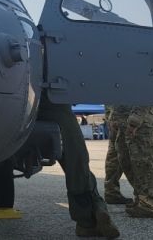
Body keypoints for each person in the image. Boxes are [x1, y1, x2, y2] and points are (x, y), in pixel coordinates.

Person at [38, 97, 119, 239]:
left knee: (78, 164)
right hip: (54, 102)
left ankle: (92, 216)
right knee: (77, 164)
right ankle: (90, 217)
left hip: (13, 103)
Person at [103, 107, 132, 205]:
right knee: (141, 156)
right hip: (125, 118)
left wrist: (110, 118)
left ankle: (111, 192)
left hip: (116, 118)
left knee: (114, 156)